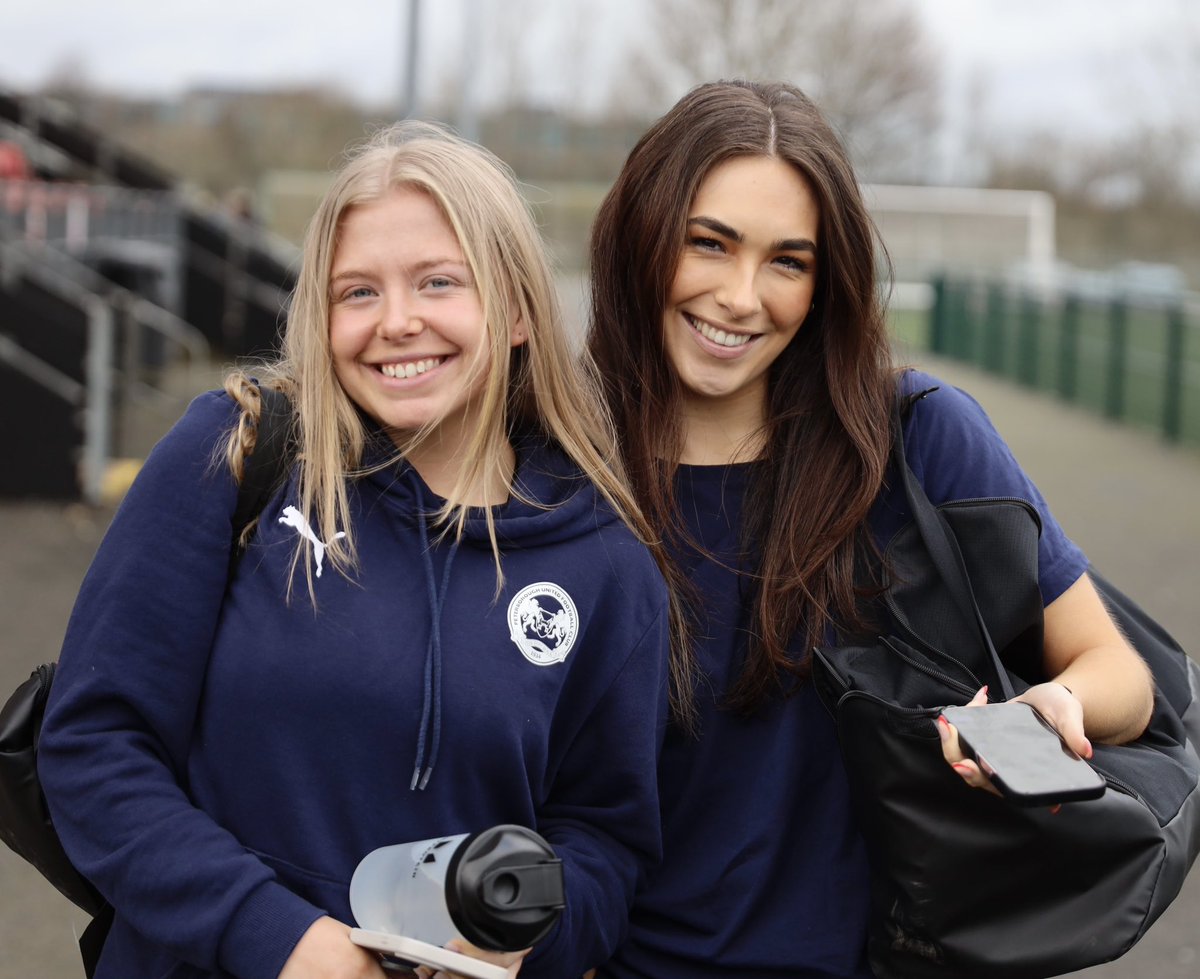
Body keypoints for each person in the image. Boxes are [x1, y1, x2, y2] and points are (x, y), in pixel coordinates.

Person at [38, 121, 671, 979]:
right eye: (357, 292)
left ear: (517, 310)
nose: (397, 323)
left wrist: (528, 941)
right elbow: (94, 744)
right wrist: (277, 939)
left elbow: (604, 839)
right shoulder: (238, 455)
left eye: (439, 282)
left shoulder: (607, 565)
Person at [585, 80, 1154, 978]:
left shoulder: (915, 438)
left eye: (788, 261)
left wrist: (1056, 708)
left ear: (823, 283)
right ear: (641, 232)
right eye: (709, 243)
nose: (740, 295)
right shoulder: (560, 459)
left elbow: (1123, 676)